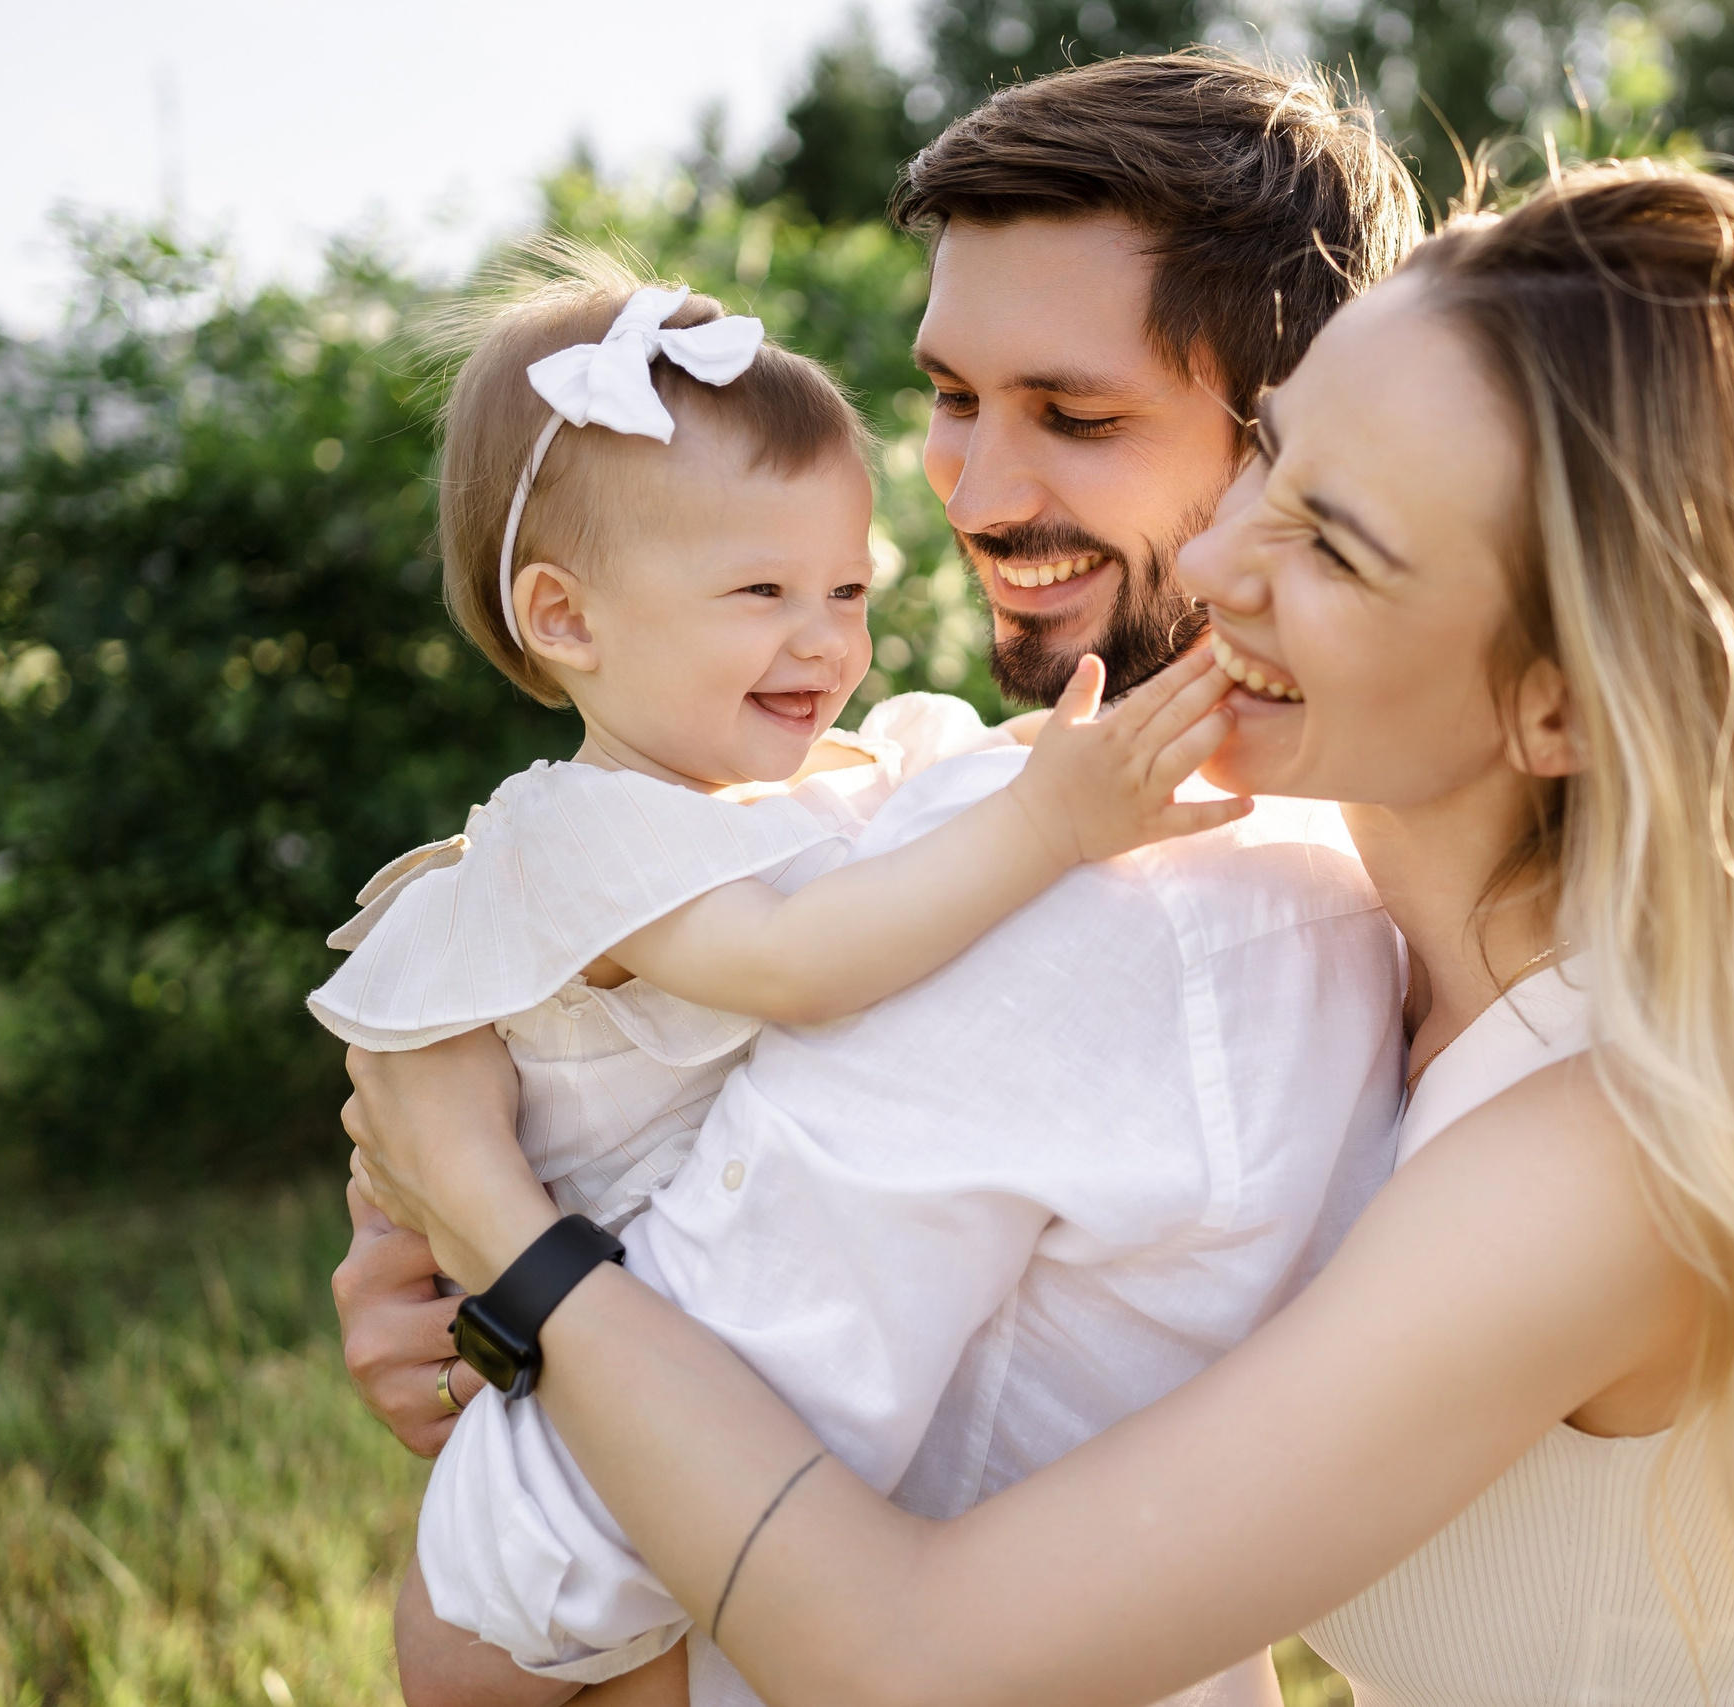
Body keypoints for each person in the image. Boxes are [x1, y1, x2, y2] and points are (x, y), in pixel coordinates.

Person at [348, 160, 1734, 1707]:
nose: (1224, 560)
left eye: (1338, 541)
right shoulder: (1356, 933)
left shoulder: (1601, 1152)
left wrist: (506, 1228)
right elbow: (834, 831)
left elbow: (905, 1652)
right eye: (1269, 458)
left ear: (1558, 708)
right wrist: (487, 962)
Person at [328, 53, 1424, 1707]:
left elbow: (503, 1622)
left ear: (1301, 445)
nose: (972, 493)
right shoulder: (1340, 860)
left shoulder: (1071, 899)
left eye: (1078, 414)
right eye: (952, 396)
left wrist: (490, 1231)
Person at [310, 260, 1247, 1232]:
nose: (825, 641)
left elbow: (999, 761)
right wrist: (1050, 819)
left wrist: (1161, 712)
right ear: (566, 619)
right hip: (649, 1310)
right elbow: (792, 963)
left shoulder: (846, 771)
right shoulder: (575, 835)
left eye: (846, 591)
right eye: (762, 593)